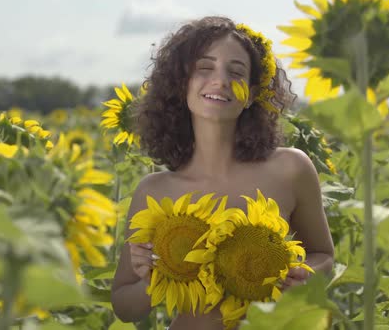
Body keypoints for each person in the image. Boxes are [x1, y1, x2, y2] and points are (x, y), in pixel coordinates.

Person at [111, 16, 334, 329]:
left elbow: (323, 254)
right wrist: (155, 278)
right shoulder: (156, 191)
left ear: (252, 95)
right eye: (205, 67)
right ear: (182, 83)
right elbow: (124, 306)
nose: (220, 80)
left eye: (236, 71)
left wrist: (304, 274)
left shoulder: (290, 169)